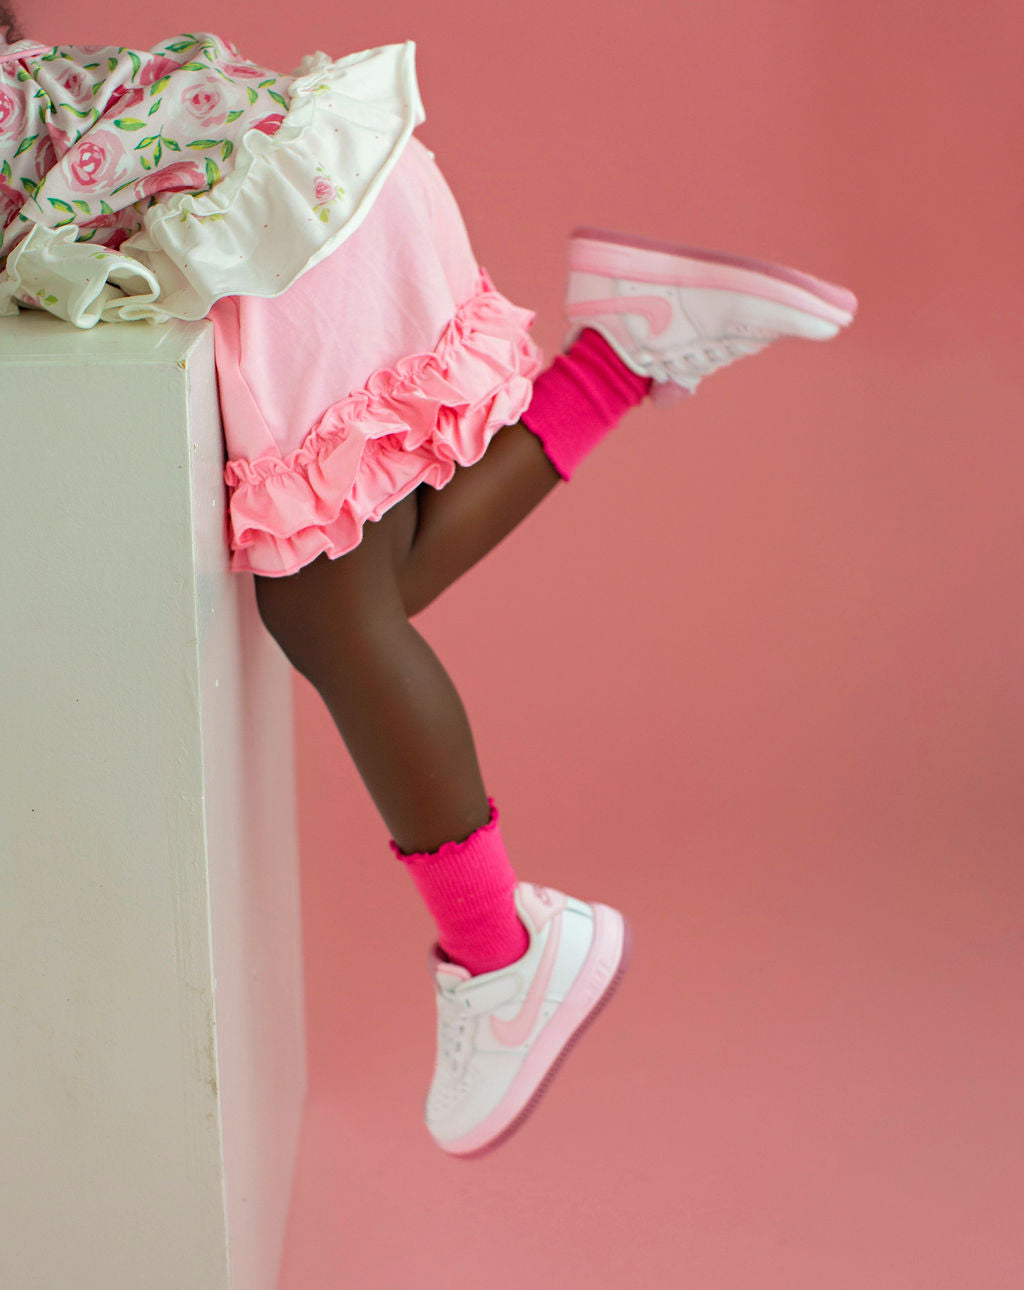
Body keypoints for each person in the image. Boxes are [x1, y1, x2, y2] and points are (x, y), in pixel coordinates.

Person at [0, 19, 857, 1157]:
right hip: (324, 188)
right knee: (349, 601)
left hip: (283, 229)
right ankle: (626, 350)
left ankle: (503, 957)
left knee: (326, 609)